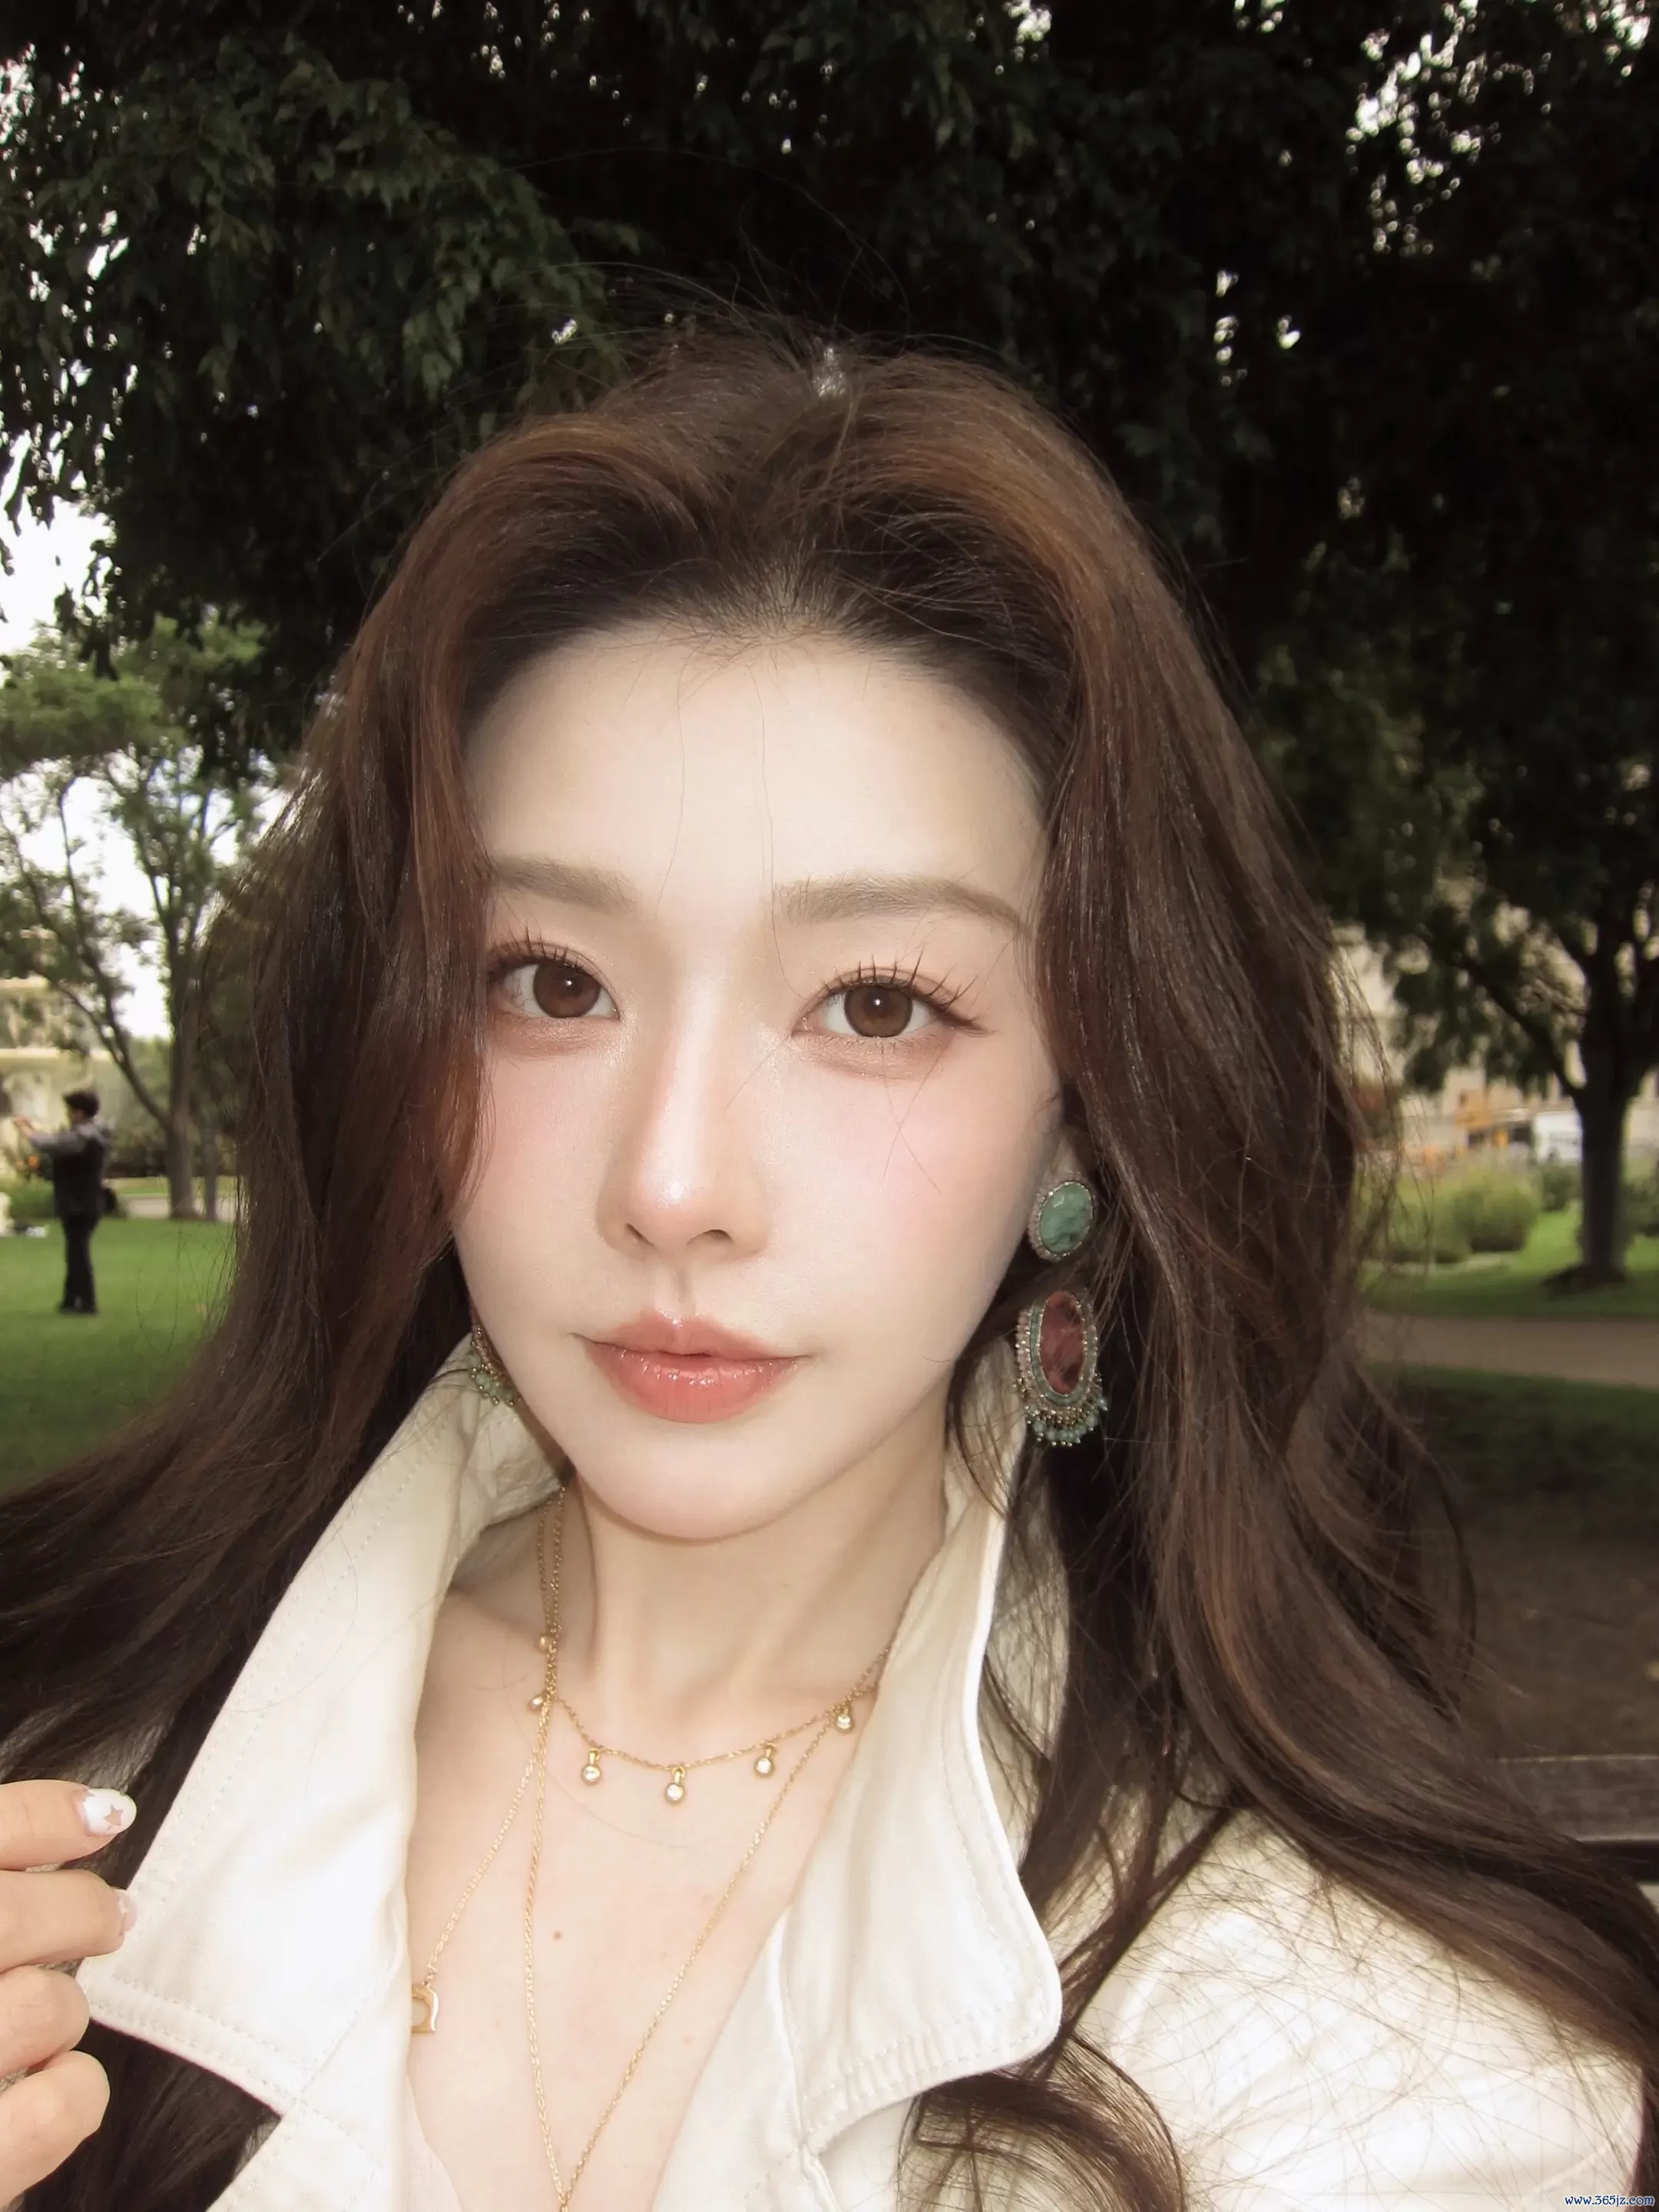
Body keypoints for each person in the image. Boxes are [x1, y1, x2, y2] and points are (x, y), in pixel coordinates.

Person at [0, 337, 1652, 2212]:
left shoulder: (1355, 2062)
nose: (673, 1186)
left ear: (1082, 1120)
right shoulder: (77, 1751)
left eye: (876, 1005)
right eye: (551, 981)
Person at [18, 1090, 110, 1316]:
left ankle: (87, 1302)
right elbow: (57, 1141)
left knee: (78, 1253)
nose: (68, 1114)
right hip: (87, 1201)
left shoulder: (82, 1137)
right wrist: (31, 1127)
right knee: (75, 1251)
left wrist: (25, 1129)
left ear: (80, 1112)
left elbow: (50, 1144)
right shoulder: (95, 1133)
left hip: (79, 1203)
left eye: (70, 1110)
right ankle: (70, 1300)